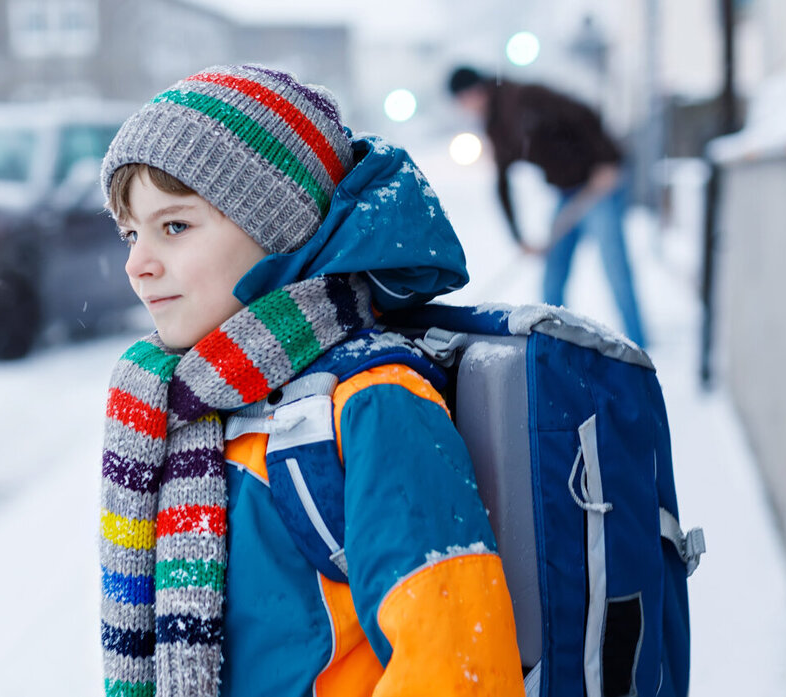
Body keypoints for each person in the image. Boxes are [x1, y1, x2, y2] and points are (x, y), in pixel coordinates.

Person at [97, 64, 522, 696]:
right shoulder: (190, 407)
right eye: (131, 232)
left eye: (175, 227)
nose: (137, 264)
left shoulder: (372, 404)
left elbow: (454, 669)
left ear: (278, 229)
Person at [447, 66, 648, 347]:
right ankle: (551, 343)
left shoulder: (525, 98)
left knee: (615, 269)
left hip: (598, 185)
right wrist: (520, 238)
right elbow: (502, 183)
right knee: (553, 277)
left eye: (462, 101)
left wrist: (607, 161)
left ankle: (639, 343)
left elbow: (582, 113)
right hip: (568, 194)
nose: (464, 109)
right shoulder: (495, 124)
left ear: (473, 92)